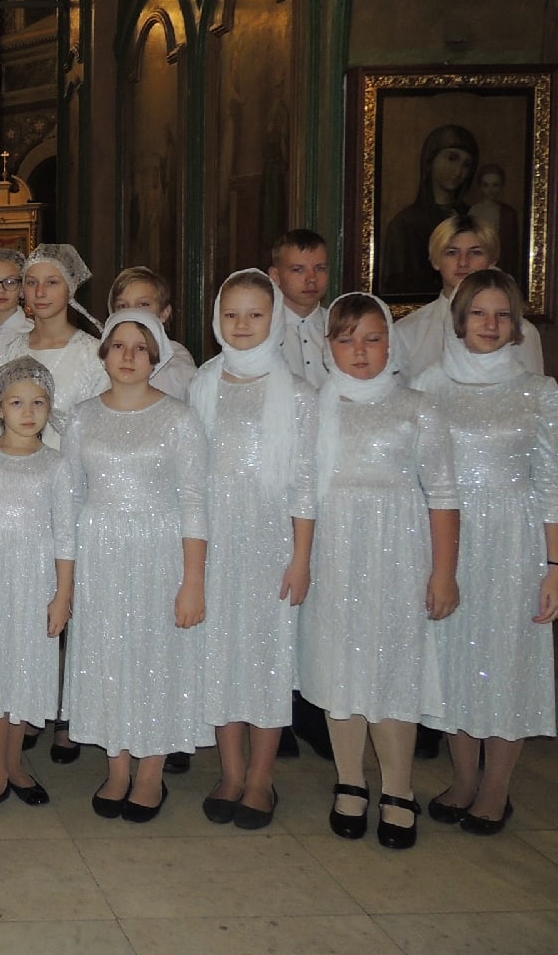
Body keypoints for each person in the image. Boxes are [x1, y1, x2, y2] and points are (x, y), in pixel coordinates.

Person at [298, 293, 459, 850]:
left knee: (395, 668)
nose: (359, 351)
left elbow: (442, 494)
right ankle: (349, 781)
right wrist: (301, 560)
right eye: (346, 339)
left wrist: (444, 573)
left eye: (371, 337)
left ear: (390, 342)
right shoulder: (316, 406)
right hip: (334, 552)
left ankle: (398, 787)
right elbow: (302, 492)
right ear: (329, 348)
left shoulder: (418, 407)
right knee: (341, 666)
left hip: (399, 552)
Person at [414, 269, 558, 835]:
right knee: (452, 659)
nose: (491, 325)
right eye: (479, 313)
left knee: (507, 662)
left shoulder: (539, 392)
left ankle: (496, 788)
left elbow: (552, 483)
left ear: (516, 323)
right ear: (460, 318)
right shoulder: (429, 385)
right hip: (448, 541)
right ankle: (465, 777)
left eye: (502, 314)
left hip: (514, 542)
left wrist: (554, 566)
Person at [63, 310, 210, 823]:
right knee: (107, 655)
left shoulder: (179, 418)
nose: (128, 356)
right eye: (118, 345)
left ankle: (151, 770)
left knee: (154, 656)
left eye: (140, 347)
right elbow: (70, 497)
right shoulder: (81, 416)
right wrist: (69, 576)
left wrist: (194, 581)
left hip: (159, 551)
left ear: (156, 357)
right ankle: (117, 765)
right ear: (103, 353)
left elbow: (195, 501)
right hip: (100, 548)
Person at [189, 271, 318, 829]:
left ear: (275, 319)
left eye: (255, 315)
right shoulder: (202, 382)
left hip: (270, 544)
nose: (242, 325)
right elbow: (188, 475)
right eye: (232, 314)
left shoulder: (297, 393)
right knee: (219, 656)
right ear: (217, 318)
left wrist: (302, 557)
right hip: (214, 540)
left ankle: (262, 778)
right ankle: (232, 772)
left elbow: (306, 485)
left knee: (266, 660)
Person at [0, 357, 73, 819]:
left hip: (35, 582)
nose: (28, 412)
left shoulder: (56, 465)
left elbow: (66, 535)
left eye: (38, 403)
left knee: (24, 669)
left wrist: (63, 594)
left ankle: (16, 766)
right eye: (17, 402)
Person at [394, 215, 545, 379]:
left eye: (476, 252)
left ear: (492, 260)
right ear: (435, 260)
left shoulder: (522, 332)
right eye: (452, 253)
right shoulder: (407, 332)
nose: (463, 262)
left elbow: (533, 397)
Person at [20, 244, 110, 446]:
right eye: (32, 282)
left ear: (71, 286)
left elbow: (100, 428)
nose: (40, 292)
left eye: (52, 282)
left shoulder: (92, 355)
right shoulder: (12, 351)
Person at [381, 125, 479, 296]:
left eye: (466, 165)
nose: (458, 171)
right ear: (430, 160)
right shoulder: (405, 224)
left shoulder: (474, 217)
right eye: (451, 158)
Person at [108, 266, 197, 400]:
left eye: (143, 304)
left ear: (164, 313)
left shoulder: (178, 366)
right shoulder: (108, 357)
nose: (132, 313)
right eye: (122, 306)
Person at [268, 228, 332, 387]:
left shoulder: (341, 327)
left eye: (320, 268)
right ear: (276, 276)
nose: (311, 278)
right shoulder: (261, 331)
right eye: (298, 269)